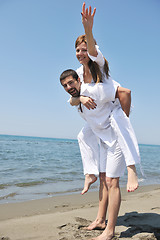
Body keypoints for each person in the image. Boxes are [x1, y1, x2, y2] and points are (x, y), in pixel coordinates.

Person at [60, 3, 141, 239]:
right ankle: (99, 219)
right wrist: (81, 97)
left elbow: (95, 51)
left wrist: (88, 29)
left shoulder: (101, 68)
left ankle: (110, 230)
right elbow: (73, 99)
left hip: (114, 134)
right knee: (103, 180)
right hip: (100, 135)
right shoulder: (76, 75)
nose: (81, 53)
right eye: (77, 49)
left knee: (113, 183)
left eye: (84, 49)